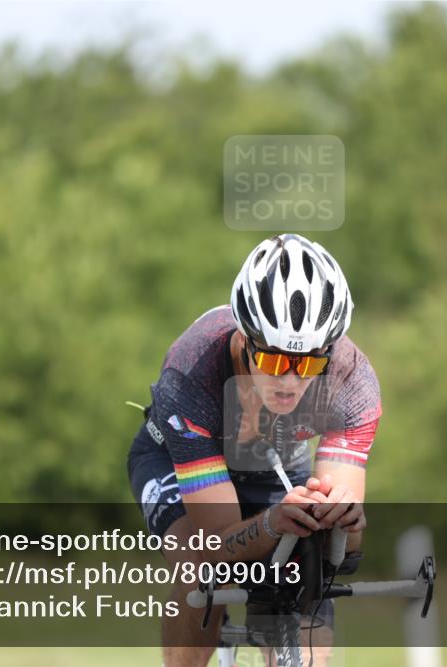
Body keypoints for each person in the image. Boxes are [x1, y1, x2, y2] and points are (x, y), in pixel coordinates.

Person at [127, 233, 382, 666]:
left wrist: (344, 519)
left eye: (308, 363)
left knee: (311, 565)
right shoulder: (191, 373)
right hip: (174, 456)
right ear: (245, 342)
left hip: (270, 461)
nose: (290, 381)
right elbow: (214, 543)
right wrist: (268, 525)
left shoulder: (351, 383)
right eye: (275, 361)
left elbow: (348, 547)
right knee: (199, 570)